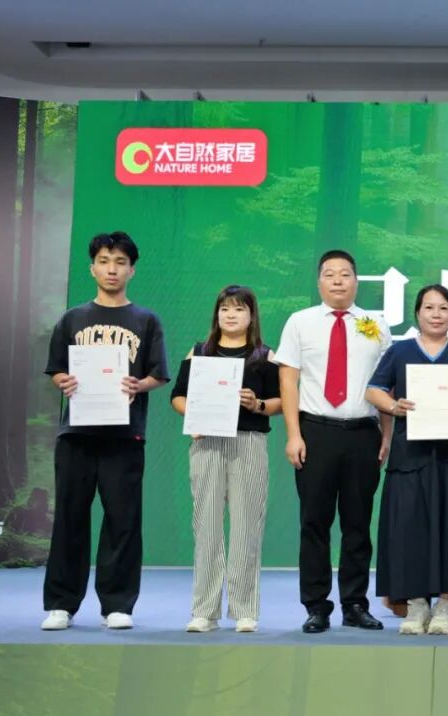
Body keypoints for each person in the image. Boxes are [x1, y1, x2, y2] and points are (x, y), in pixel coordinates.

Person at [41, 231, 169, 631]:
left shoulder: (146, 320)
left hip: (125, 436)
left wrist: (139, 385)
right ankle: (61, 604)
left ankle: (117, 604)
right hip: (76, 435)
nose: (111, 269)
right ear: (92, 268)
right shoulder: (72, 318)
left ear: (132, 270)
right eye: (104, 261)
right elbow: (56, 369)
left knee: (123, 520)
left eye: (120, 262)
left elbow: (158, 375)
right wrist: (63, 381)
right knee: (69, 517)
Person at [365, 284, 448, 635]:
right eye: (429, 307)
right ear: (417, 313)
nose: (436, 314)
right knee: (410, 527)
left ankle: (444, 605)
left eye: (443, 308)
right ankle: (415, 605)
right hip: (411, 454)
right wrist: (394, 406)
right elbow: (374, 390)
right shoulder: (399, 351)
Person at [274, 249, 392, 633]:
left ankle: (355, 604)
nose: (338, 280)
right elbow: (288, 380)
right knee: (314, 522)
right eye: (330, 274)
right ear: (319, 281)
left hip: (363, 433)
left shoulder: (376, 324)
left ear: (357, 280)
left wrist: (386, 436)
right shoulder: (300, 322)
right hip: (315, 432)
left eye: (345, 274)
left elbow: (387, 384)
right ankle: (316, 606)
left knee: (358, 523)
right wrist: (293, 434)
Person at [170, 285, 281, 633]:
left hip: (248, 443)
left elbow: (279, 402)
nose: (230, 315)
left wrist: (256, 404)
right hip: (207, 444)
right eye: (225, 309)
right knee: (206, 526)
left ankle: (245, 610)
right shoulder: (199, 352)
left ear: (252, 315)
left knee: (247, 526)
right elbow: (177, 396)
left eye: (239, 309)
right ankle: (204, 611)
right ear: (216, 314)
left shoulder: (265, 355)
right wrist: (194, 418)